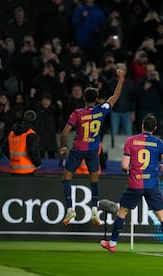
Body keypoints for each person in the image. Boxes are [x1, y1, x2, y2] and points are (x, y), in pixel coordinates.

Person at [100, 113, 163, 257]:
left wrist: (127, 170)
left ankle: (112, 244)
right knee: (162, 217)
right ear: (154, 128)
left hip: (135, 183)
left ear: (142, 125)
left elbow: (124, 166)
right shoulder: (159, 143)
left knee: (122, 213)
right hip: (152, 184)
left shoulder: (130, 141)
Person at [60, 68, 125, 226]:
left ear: (84, 98)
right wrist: (121, 79)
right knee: (94, 180)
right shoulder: (101, 110)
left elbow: (64, 132)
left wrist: (63, 146)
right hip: (93, 151)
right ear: (97, 99)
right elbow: (115, 96)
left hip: (77, 150)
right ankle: (94, 209)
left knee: (66, 178)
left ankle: (70, 209)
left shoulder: (78, 113)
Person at [4, 110, 42, 175]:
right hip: (28, 170)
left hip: (13, 170)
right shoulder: (31, 134)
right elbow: (33, 151)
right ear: (34, 120)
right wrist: (38, 163)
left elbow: (4, 148)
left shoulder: (12, 133)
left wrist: (14, 159)